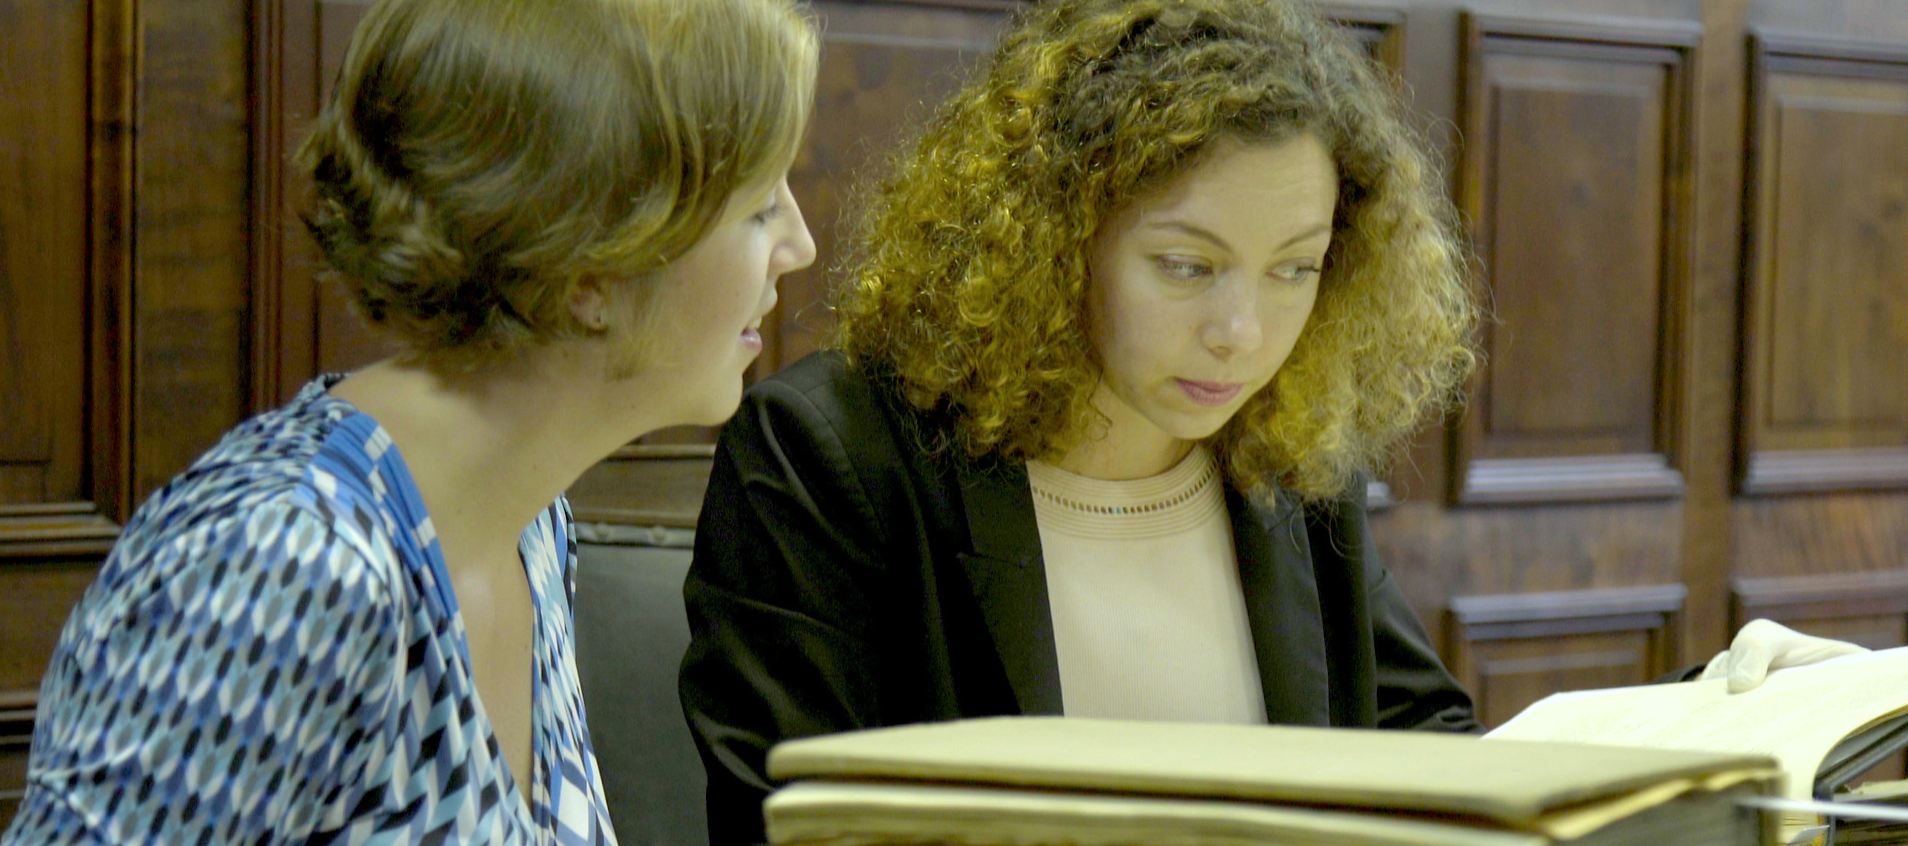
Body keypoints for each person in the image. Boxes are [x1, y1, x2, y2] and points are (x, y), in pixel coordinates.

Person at [675, 0, 1865, 842]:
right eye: (1187, 267)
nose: (1243, 336)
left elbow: (1427, 765)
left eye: (1294, 270)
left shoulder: (1282, 464)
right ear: (1047, 240)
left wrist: (1717, 717)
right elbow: (781, 820)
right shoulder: (832, 453)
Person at [0, 0, 816, 842]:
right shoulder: (282, 564)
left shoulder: (530, 524)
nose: (801, 244)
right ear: (590, 269)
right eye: (759, 208)